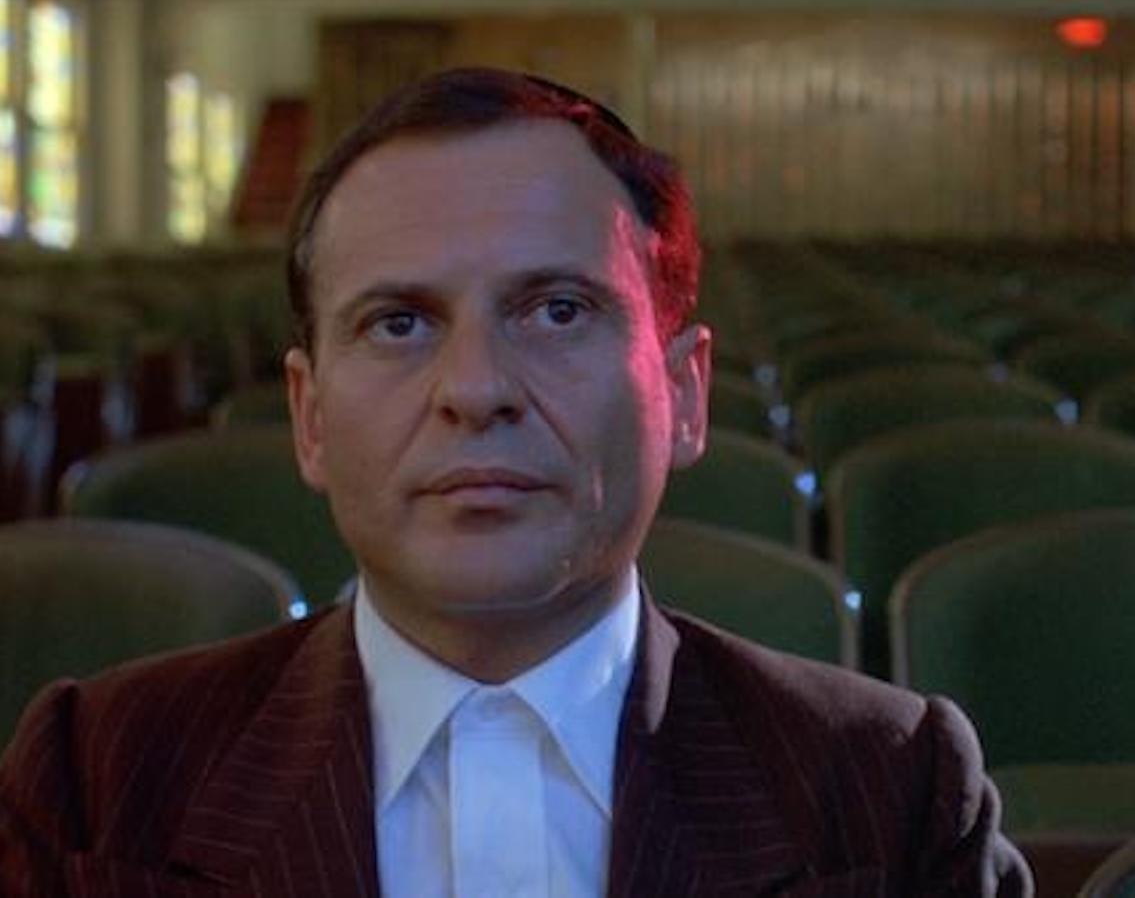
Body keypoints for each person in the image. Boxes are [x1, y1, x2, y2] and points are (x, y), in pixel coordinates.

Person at [0, 67, 1032, 897]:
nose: (477, 389)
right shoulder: (93, 784)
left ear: (683, 394)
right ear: (309, 418)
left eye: (556, 312)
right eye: (399, 323)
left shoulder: (892, 790)